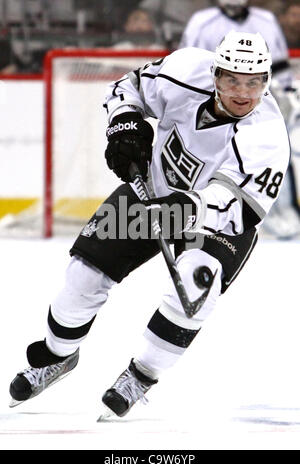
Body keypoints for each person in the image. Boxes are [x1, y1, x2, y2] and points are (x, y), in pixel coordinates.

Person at [9, 32, 290, 419]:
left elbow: (240, 210)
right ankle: (55, 356)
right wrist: (123, 121)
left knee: (198, 281)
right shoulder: (185, 69)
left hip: (214, 224)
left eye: (254, 81)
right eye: (231, 80)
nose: (243, 92)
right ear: (215, 73)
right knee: (83, 275)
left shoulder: (267, 136)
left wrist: (184, 210)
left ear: (267, 80)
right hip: (151, 192)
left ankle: (141, 376)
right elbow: (128, 87)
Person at [178, 0, 300, 239]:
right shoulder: (201, 23)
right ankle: (203, 214)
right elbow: (186, 67)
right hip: (215, 109)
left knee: (273, 159)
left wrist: (286, 98)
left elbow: (281, 67)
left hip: (259, 111)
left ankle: (284, 214)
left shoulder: (266, 21)